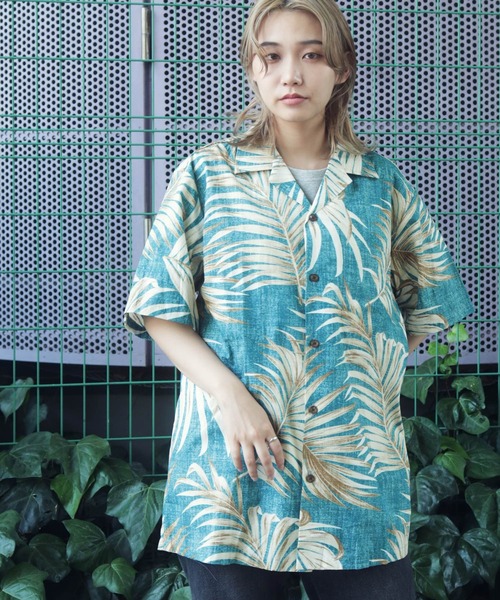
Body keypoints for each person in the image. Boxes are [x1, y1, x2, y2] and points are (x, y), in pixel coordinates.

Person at [124, 0, 473, 598]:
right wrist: (232, 398)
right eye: (273, 56)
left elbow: (427, 301)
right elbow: (160, 307)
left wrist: (367, 367)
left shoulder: (380, 183)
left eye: (312, 55)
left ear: (341, 68)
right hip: (232, 481)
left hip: (358, 482)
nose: (292, 74)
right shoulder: (207, 176)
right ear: (253, 69)